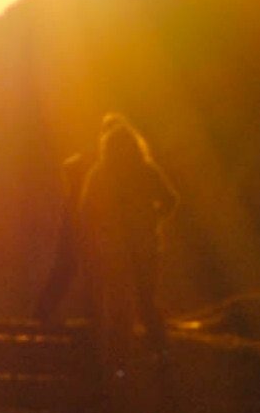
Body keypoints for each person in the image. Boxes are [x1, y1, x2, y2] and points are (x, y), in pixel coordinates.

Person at [69, 115, 178, 370]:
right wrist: (154, 219)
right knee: (146, 301)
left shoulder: (100, 173)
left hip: (115, 248)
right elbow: (172, 200)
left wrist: (98, 232)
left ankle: (119, 362)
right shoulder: (146, 169)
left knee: (119, 304)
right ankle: (161, 356)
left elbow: (85, 211)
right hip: (146, 246)